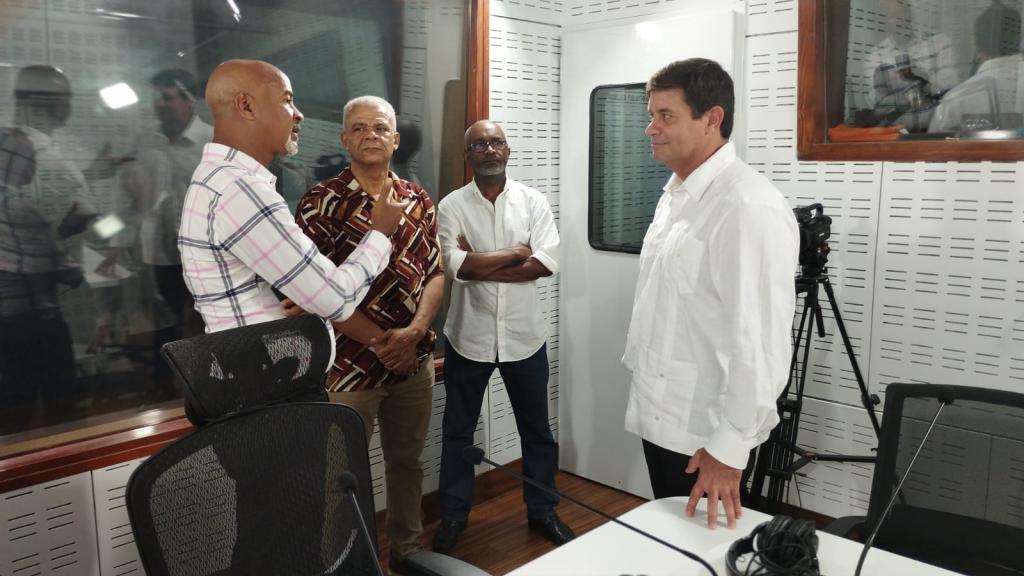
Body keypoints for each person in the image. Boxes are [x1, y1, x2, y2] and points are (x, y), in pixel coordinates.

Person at [624, 59, 798, 530]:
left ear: (712, 118)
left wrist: (730, 448)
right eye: (652, 115)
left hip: (706, 435)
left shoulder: (746, 206)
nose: (651, 128)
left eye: (666, 115)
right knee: (675, 542)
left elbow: (760, 343)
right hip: (664, 415)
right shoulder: (676, 195)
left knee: (708, 549)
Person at [293, 95, 443, 574]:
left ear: (395, 139)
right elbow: (312, 293)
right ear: (344, 139)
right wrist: (385, 343)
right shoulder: (320, 202)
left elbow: (436, 273)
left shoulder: (417, 198)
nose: (370, 136)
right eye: (358, 128)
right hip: (348, 368)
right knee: (341, 475)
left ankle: (407, 551)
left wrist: (414, 332)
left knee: (407, 463)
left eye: (379, 128)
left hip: (413, 362)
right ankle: (345, 564)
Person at [178, 60, 407, 334]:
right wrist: (379, 233)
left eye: (381, 129)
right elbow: (336, 298)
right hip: (264, 359)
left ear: (395, 139)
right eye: (287, 100)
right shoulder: (240, 191)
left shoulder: (218, 179)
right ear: (246, 106)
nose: (299, 115)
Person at [433, 119, 573, 553]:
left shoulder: (533, 202)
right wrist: (515, 252)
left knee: (537, 432)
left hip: (524, 338)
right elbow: (455, 266)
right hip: (468, 337)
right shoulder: (452, 206)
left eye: (496, 142)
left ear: (507, 150)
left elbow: (545, 264)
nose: (489, 149)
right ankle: (453, 516)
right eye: (479, 144)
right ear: (468, 155)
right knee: (458, 432)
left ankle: (542, 510)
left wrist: (479, 264)